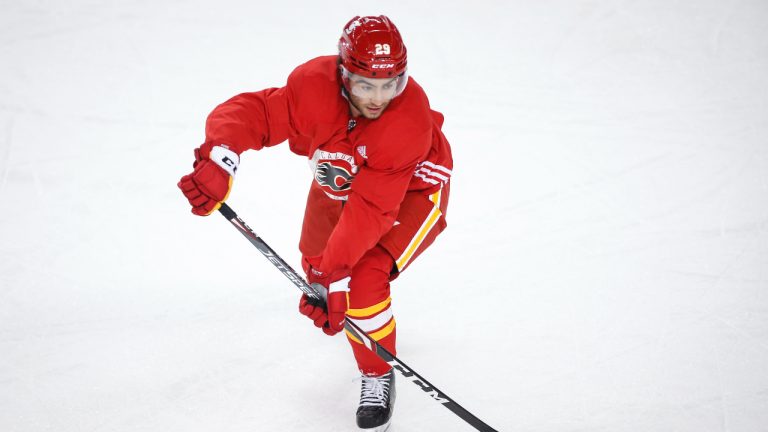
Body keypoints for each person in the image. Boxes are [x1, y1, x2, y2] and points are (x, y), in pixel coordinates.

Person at [178, 15, 452, 431]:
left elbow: (373, 211)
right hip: (341, 180)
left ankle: (377, 373)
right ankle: (343, 291)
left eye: (390, 84)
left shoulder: (405, 123)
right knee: (316, 263)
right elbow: (254, 113)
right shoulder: (312, 90)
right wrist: (221, 155)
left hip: (411, 192)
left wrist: (336, 276)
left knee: (362, 279)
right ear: (343, 73)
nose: (378, 98)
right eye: (365, 85)